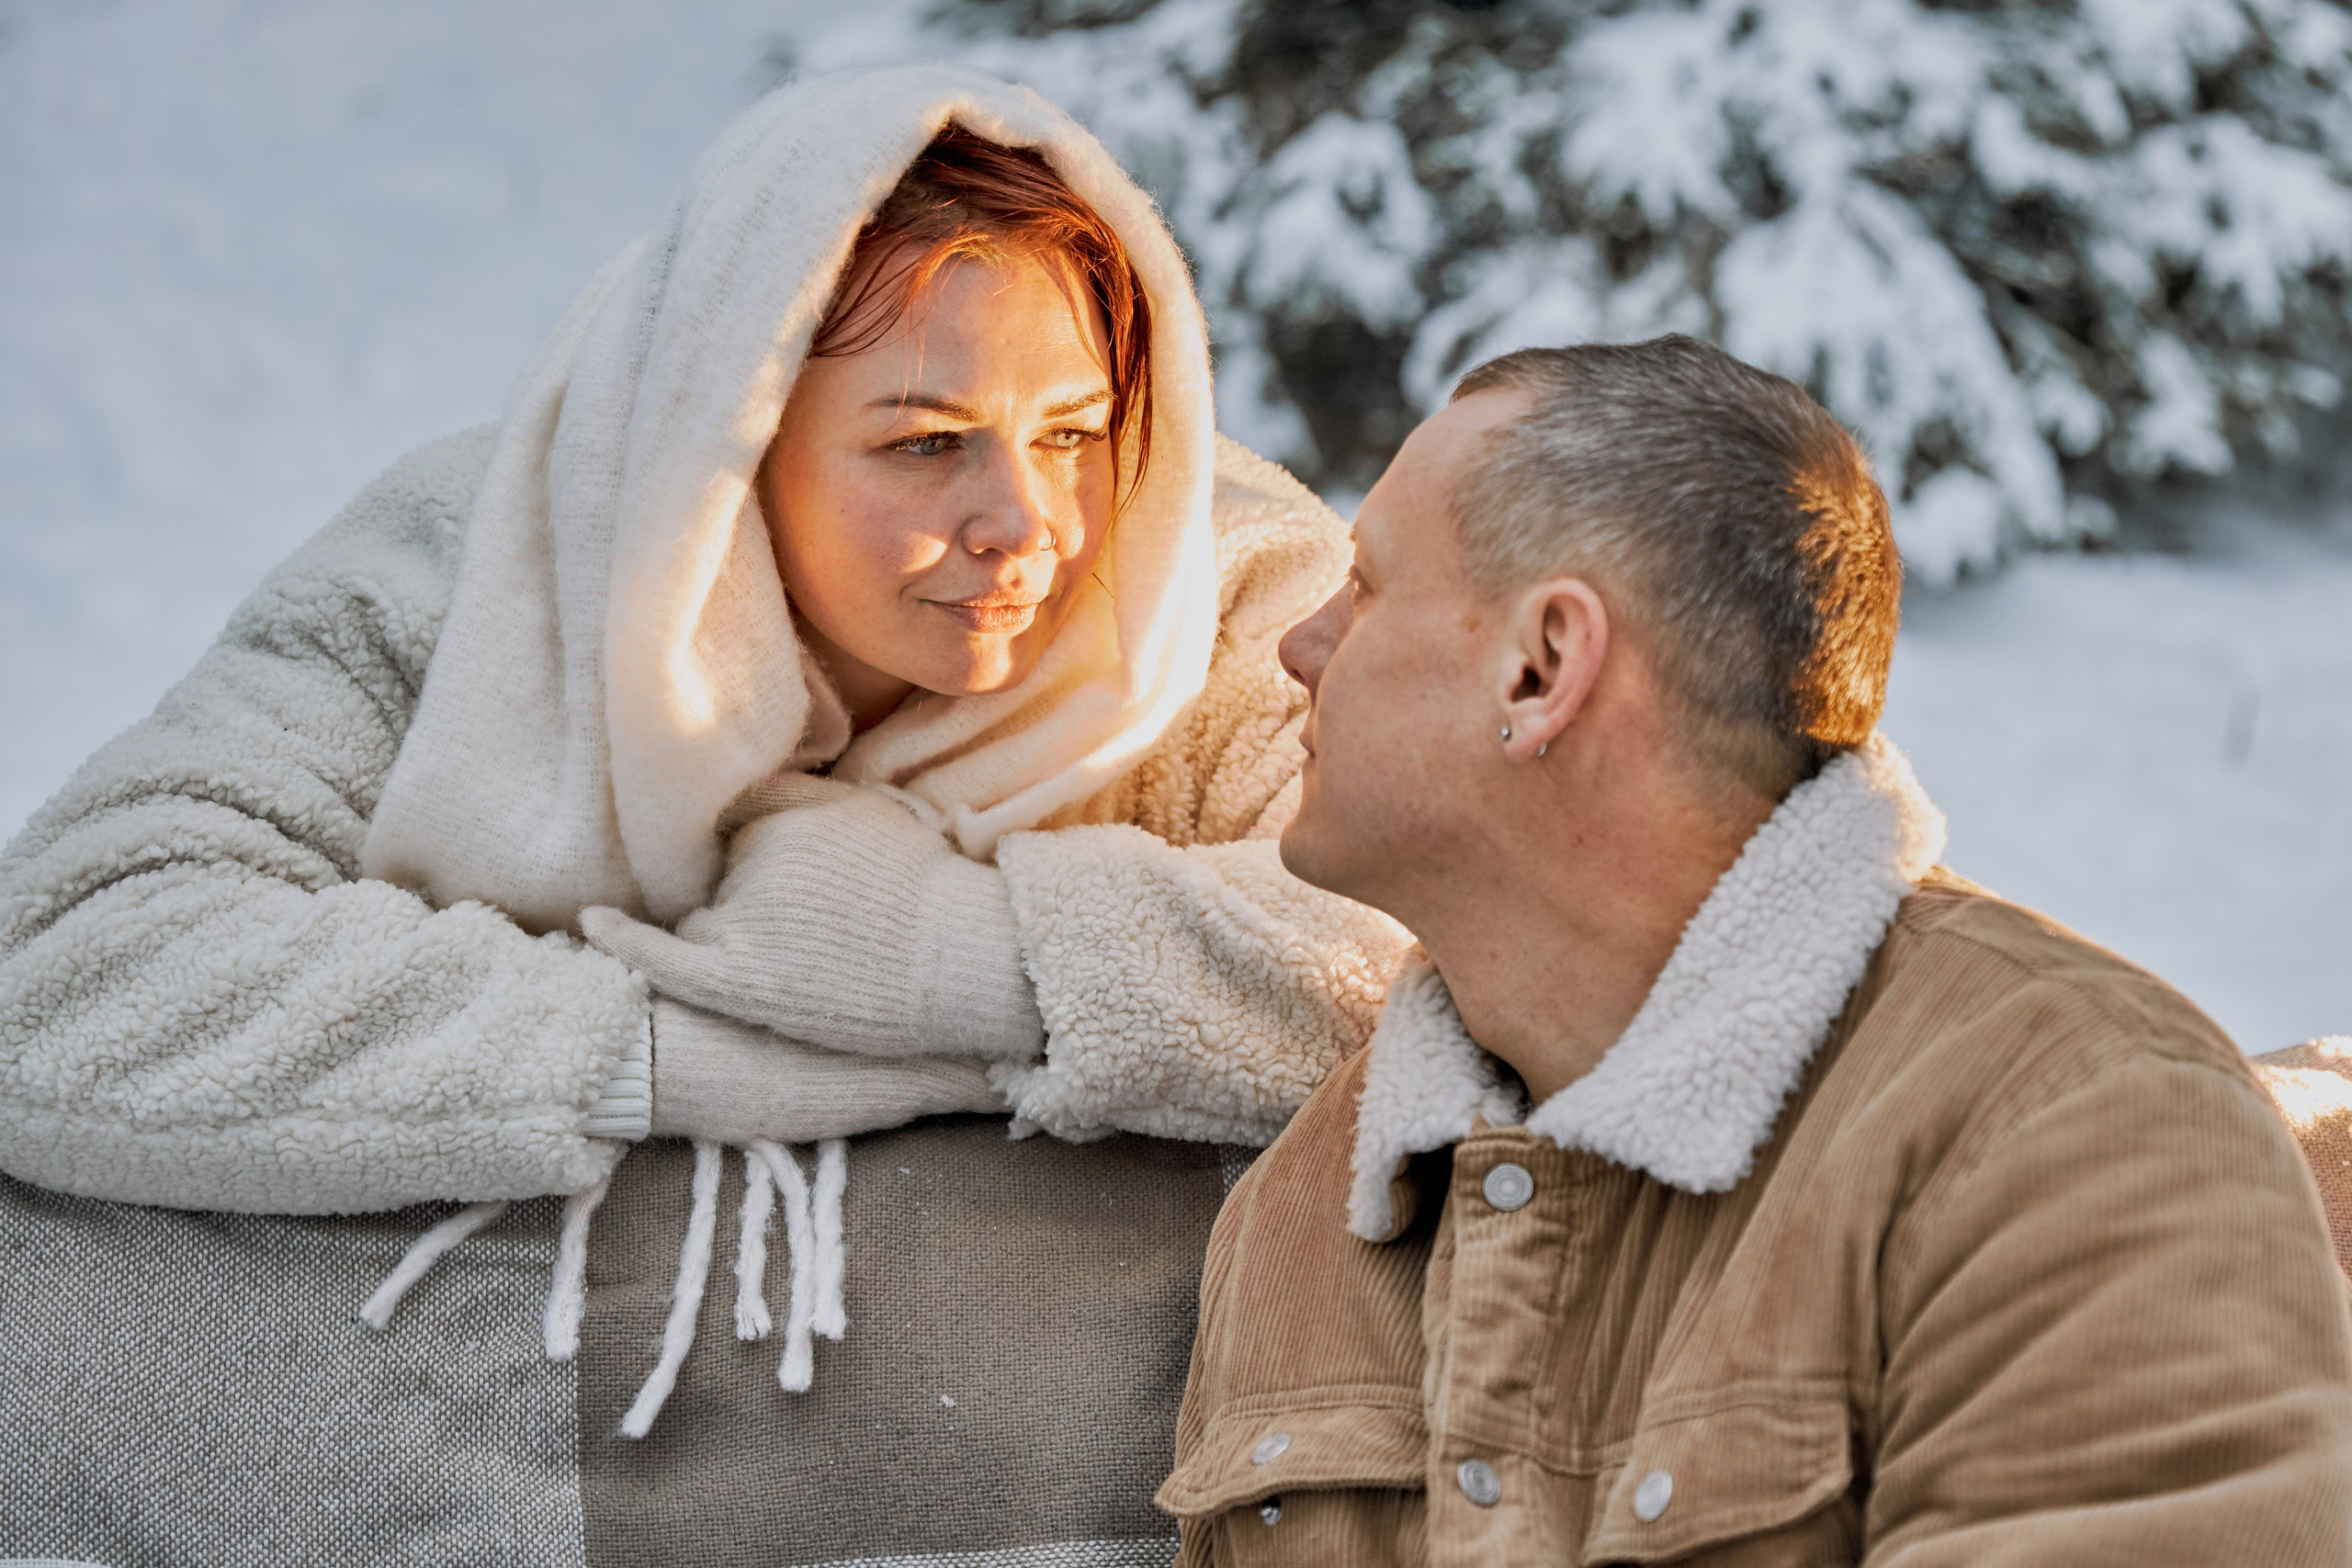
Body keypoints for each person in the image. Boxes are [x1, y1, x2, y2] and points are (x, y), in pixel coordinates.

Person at [0, 66, 1407, 1564]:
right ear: (729, 437)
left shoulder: (1213, 583)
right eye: (926, 442)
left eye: (1071, 429)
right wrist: (670, 1051)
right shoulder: (478, 566)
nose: (1028, 523)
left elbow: (1421, 951)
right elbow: (69, 970)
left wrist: (933, 954)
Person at [1158, 337, 2352, 1562]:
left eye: (1365, 585)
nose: (1300, 647)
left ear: (1541, 668)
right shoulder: (1308, 1221)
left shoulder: (2081, 1124)